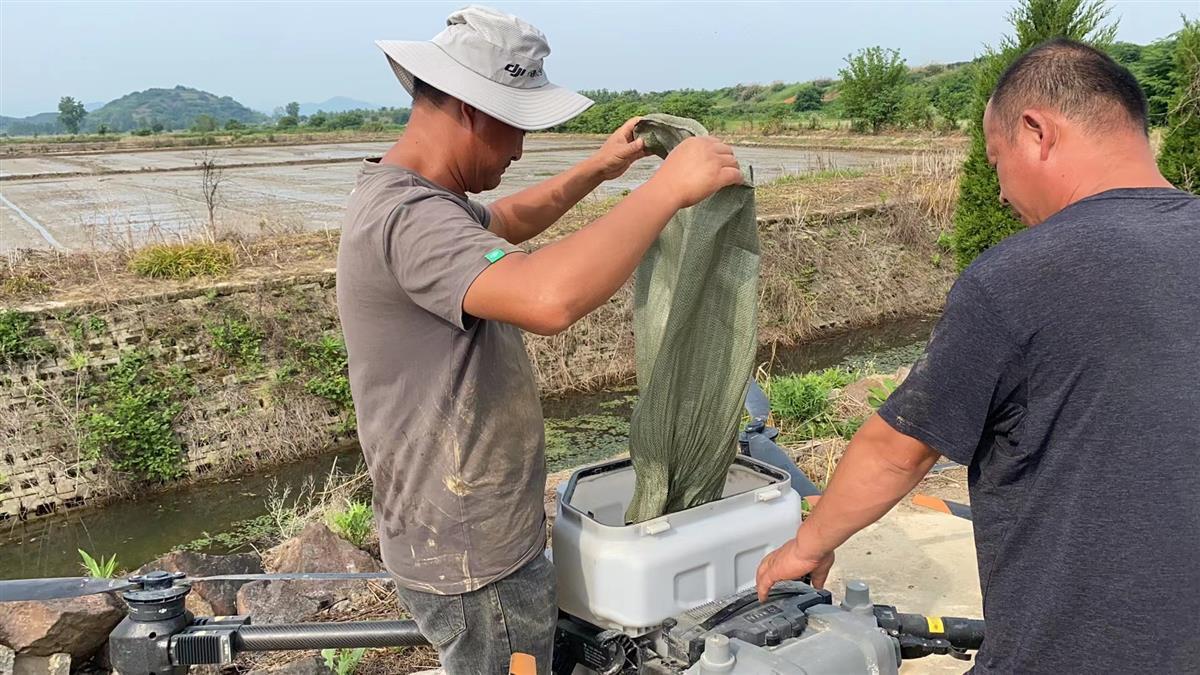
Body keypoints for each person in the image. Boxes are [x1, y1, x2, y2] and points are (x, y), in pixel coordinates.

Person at [756, 38, 1199, 673]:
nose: (999, 193)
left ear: (1037, 132)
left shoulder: (1020, 278)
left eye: (996, 162)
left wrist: (806, 546)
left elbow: (898, 451)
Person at [335, 6, 742, 673]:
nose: (520, 150)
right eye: (516, 126)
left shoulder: (419, 196)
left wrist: (599, 169)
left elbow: (505, 220)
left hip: (468, 536)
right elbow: (547, 299)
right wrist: (666, 190)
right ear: (471, 110)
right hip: (475, 557)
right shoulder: (409, 217)